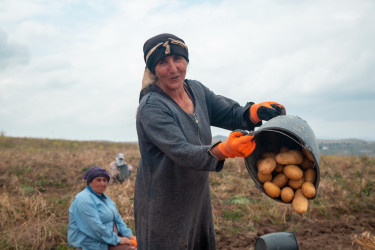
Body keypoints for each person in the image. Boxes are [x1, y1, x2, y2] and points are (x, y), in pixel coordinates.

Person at [135, 33, 286, 250]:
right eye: (162, 62)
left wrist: (253, 113)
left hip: (196, 200)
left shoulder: (195, 90)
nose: (173, 68)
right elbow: (183, 152)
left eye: (178, 59)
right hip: (164, 205)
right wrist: (224, 149)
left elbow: (230, 113)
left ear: (186, 61)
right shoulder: (152, 107)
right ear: (153, 70)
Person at [68, 166, 137, 250]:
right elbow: (95, 228)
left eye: (105, 180)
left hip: (109, 239)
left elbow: (118, 220)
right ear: (89, 182)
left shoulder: (106, 199)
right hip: (91, 243)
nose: (102, 183)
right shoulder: (83, 199)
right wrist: (117, 240)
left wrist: (129, 236)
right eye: (98, 180)